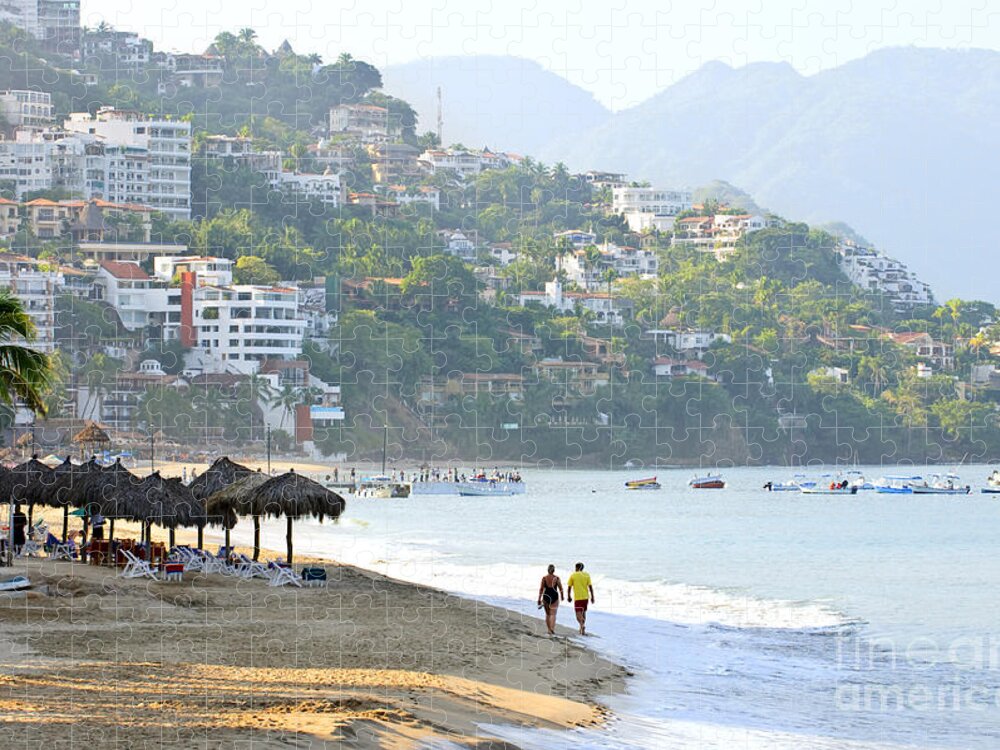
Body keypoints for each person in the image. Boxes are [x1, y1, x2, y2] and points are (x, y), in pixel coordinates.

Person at [566, 562, 595, 635]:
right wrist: (592, 597)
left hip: (578, 598)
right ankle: (581, 629)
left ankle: (582, 625)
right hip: (586, 598)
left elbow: (569, 587)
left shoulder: (573, 575)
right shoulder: (587, 575)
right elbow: (590, 587)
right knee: (583, 612)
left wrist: (569, 596)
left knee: (578, 614)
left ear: (577, 568)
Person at [537, 564, 563, 635]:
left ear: (548, 570)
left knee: (548, 614)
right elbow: (560, 588)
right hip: (554, 596)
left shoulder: (544, 578)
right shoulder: (556, 578)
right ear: (554, 570)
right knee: (553, 614)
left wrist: (539, 599)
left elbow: (541, 589)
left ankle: (549, 630)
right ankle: (552, 629)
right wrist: (562, 596)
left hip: (546, 597)